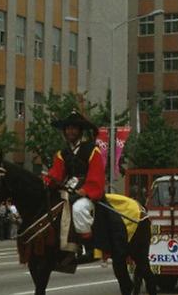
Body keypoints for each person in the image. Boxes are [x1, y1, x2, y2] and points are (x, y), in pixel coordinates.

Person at [44, 110, 124, 263]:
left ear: (80, 131)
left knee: (79, 209)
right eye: (68, 128)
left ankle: (90, 247)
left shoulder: (92, 150)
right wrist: (48, 180)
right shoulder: (62, 153)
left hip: (86, 191)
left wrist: (87, 191)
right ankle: (65, 247)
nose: (70, 131)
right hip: (68, 190)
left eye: (74, 128)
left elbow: (96, 175)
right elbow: (56, 173)